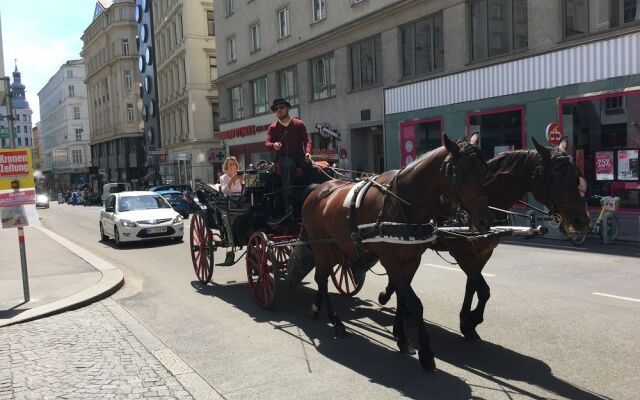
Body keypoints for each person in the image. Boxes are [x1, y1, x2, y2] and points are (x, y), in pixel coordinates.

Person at [264, 97, 312, 213]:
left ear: (288, 108)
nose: (279, 110)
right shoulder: (273, 127)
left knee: (311, 166)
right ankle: (289, 201)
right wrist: (273, 145)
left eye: (281, 107)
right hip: (283, 157)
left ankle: (312, 195)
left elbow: (307, 140)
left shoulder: (299, 124)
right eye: (276, 109)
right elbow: (266, 143)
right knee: (288, 165)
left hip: (299, 155)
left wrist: (308, 153)